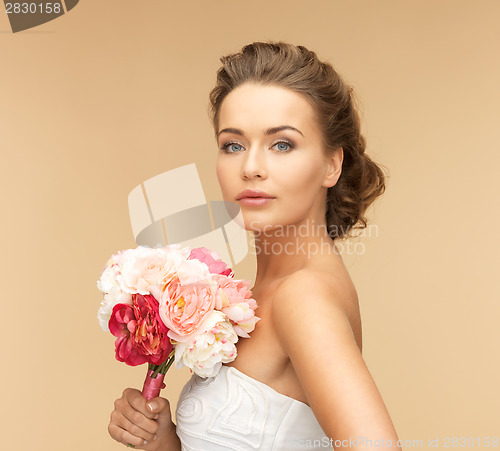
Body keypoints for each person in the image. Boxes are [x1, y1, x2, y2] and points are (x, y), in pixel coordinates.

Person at [108, 40, 402, 450]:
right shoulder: (257, 295)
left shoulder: (303, 295)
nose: (250, 168)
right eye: (233, 145)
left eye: (282, 144)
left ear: (332, 164)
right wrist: (164, 441)